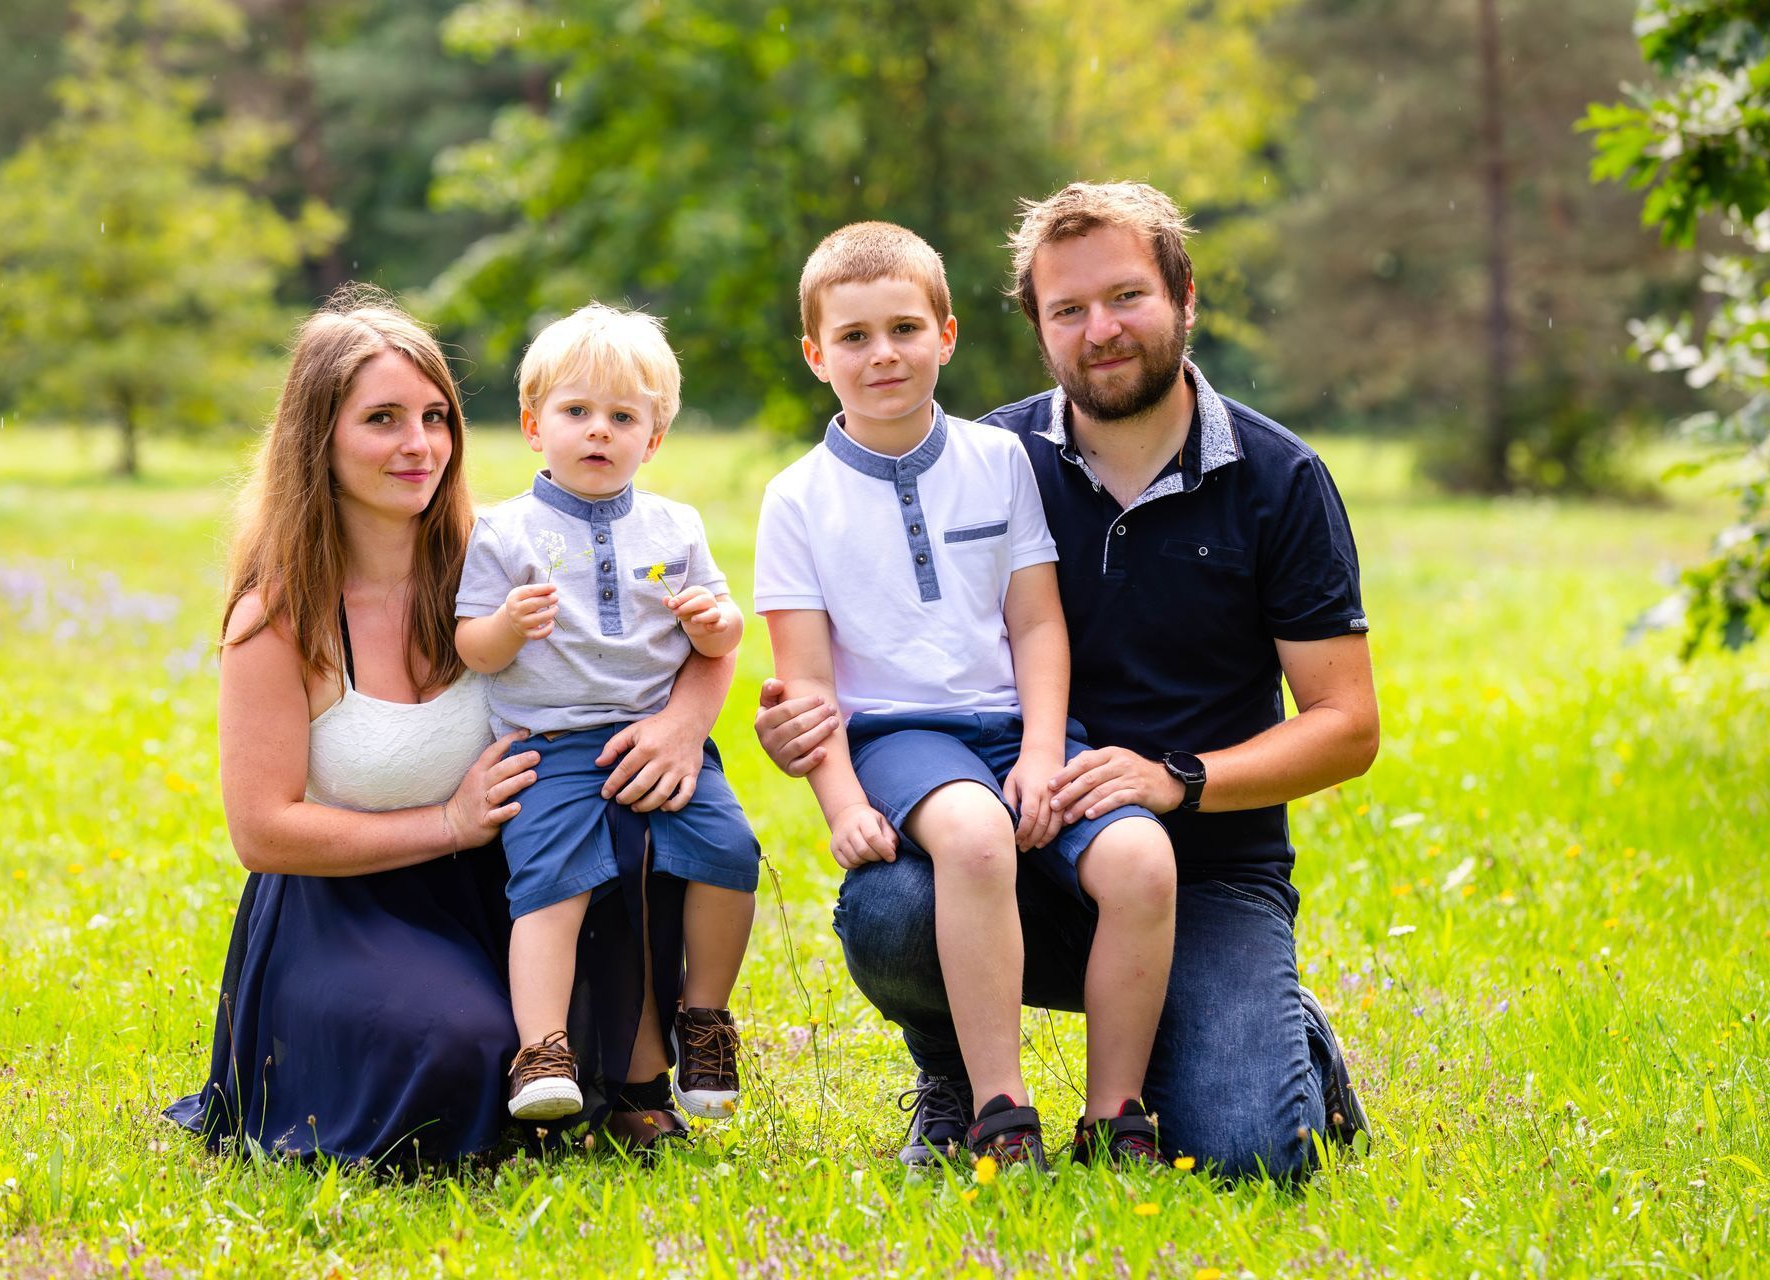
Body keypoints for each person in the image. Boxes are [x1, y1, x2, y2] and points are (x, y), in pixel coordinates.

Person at [756, 184, 1380, 1179]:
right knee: (893, 909)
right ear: (1037, 327)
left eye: (1127, 296)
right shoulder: (991, 457)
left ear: (1184, 295)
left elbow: (1348, 726)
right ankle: (965, 1084)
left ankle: (1261, 1017)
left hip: (1204, 865)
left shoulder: (1277, 477)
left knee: (1245, 1154)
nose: (1102, 329)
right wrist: (806, 735)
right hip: (1007, 834)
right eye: (1068, 309)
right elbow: (857, 641)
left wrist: (1178, 776)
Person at [167, 288, 724, 1164]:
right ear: (321, 437)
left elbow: (668, 635)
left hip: (508, 885)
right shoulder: (278, 616)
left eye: (435, 416)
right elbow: (262, 831)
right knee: (463, 1051)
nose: (418, 445)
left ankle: (641, 1084)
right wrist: (449, 822)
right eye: (382, 419)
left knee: (641, 818)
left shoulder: (501, 555)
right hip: (347, 907)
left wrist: (688, 722)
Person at [754, 223, 1178, 1168]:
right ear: (817, 356)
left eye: (905, 328)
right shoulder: (797, 499)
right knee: (978, 837)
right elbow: (807, 686)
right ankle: (1000, 1109)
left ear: (946, 335)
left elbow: (1035, 624)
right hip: (903, 741)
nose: (883, 355)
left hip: (1024, 730)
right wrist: (841, 804)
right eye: (854, 338)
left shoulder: (999, 462)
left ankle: (1116, 1117)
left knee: (1144, 858)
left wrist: (1039, 751)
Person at [455, 304, 759, 1125]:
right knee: (551, 886)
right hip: (549, 742)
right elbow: (472, 647)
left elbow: (726, 626)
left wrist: (712, 623)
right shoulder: (503, 531)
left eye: (623, 417)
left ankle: (704, 1019)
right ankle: (542, 1049)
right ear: (532, 426)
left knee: (730, 853)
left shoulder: (676, 526)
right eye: (577, 412)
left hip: (657, 733)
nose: (600, 432)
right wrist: (506, 628)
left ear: (652, 439)